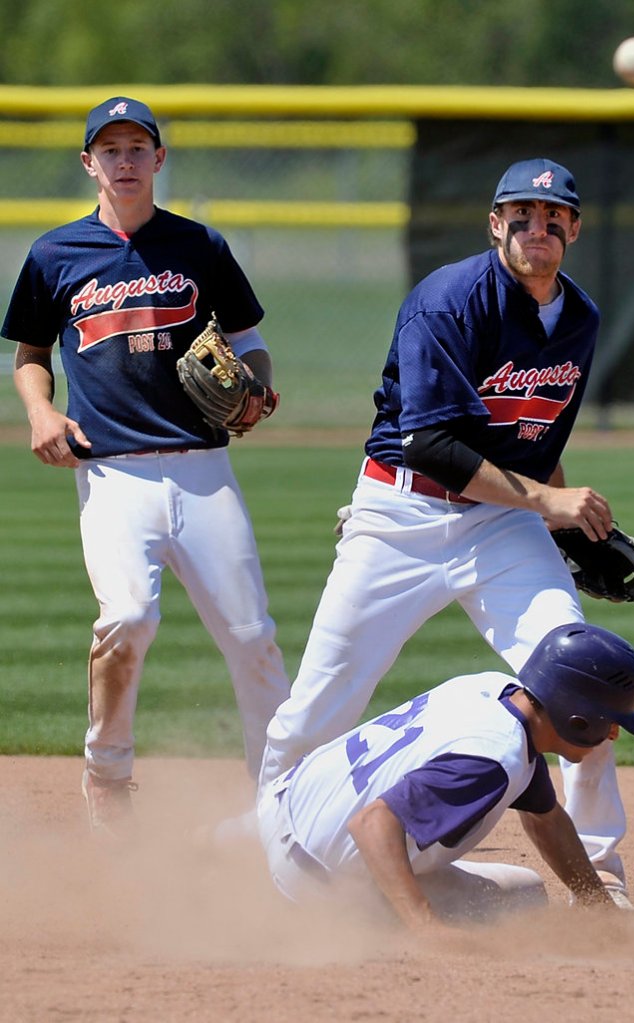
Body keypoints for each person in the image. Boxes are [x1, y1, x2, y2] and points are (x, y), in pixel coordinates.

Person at [259, 156, 634, 900]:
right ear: (496, 225)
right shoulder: (447, 302)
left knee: (581, 679)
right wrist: (547, 503)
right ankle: (257, 853)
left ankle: (601, 877)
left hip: (503, 524)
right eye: (521, 215)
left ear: (575, 230)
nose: (538, 228)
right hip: (400, 513)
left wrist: (561, 521)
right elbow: (432, 445)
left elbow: (537, 441)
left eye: (553, 217)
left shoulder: (581, 318)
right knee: (315, 709)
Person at [1, 97, 290, 840]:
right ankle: (106, 771)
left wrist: (254, 387)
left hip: (203, 470)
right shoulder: (54, 255)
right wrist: (40, 412)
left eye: (137, 147)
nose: (124, 161)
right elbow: (30, 357)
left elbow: (250, 340)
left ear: (159, 159)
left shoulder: (198, 246)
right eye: (110, 148)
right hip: (112, 475)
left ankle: (279, 795)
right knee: (128, 617)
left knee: (253, 634)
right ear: (88, 162)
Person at [257, 623, 634, 931]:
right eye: (612, 724)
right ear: (578, 718)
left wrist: (595, 902)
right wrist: (426, 926)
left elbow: (546, 819)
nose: (613, 735)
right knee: (523, 895)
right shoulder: (492, 761)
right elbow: (372, 823)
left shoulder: (492, 692)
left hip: (270, 817)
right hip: (315, 887)